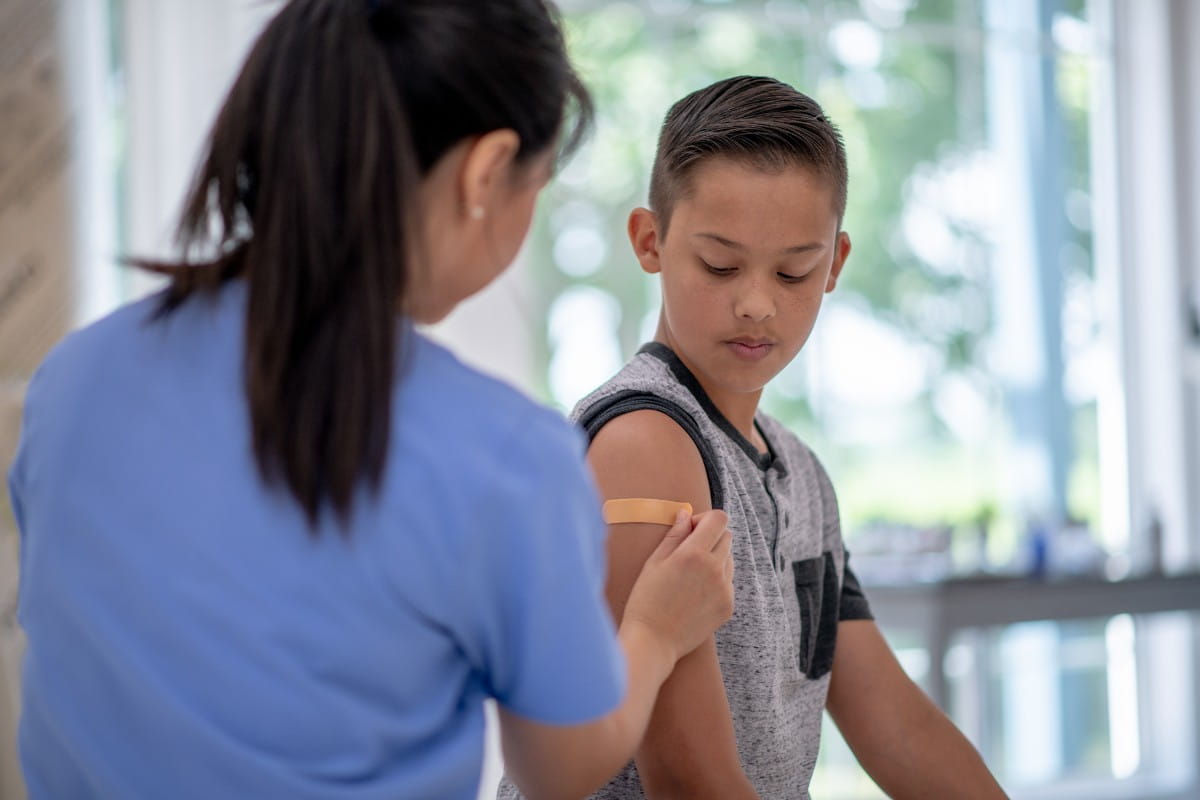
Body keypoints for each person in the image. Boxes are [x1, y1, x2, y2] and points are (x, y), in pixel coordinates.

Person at [5, 2, 737, 798]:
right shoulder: (502, 455)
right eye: (538, 182)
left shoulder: (73, 380)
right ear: (485, 173)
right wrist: (656, 633)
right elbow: (557, 769)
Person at [500, 76, 1008, 799]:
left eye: (794, 270)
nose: (757, 303)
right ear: (650, 241)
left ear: (834, 263)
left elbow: (897, 726)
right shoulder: (645, 439)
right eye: (720, 265)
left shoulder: (801, 474)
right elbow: (689, 781)